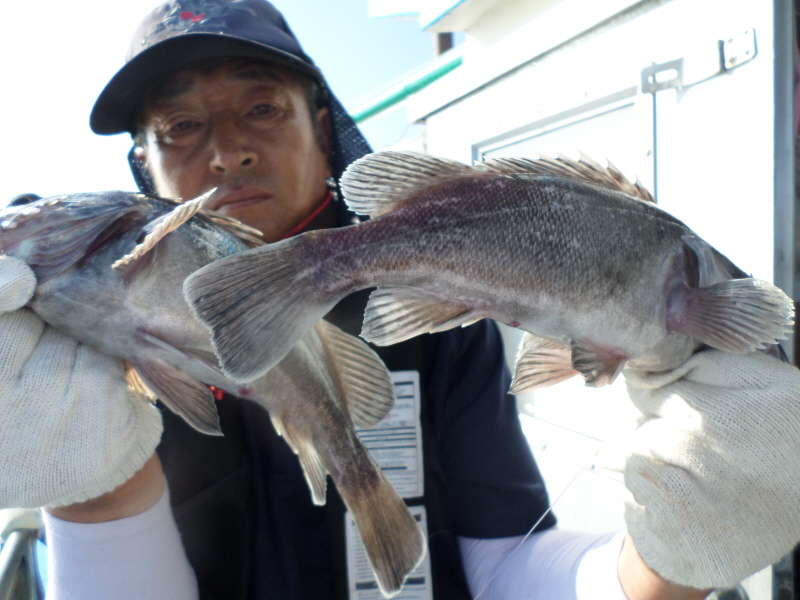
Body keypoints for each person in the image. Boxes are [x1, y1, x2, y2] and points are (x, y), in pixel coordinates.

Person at [1, 1, 800, 599]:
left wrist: (665, 567)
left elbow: (504, 563)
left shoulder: (441, 319)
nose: (228, 149)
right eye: (178, 125)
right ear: (142, 170)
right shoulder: (74, 332)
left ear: (325, 129)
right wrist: (94, 496)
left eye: (261, 109)